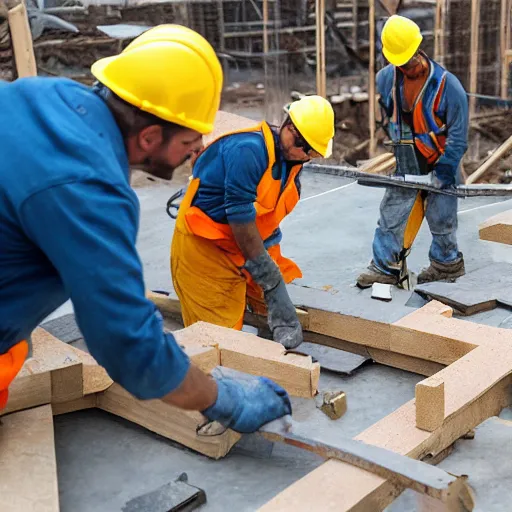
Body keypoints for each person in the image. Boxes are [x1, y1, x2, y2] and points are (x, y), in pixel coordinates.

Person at [0, 25, 291, 434]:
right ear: (151, 135)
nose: (196, 150)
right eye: (190, 139)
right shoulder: (92, 189)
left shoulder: (43, 96)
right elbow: (126, 343)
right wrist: (219, 397)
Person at [170, 96, 335, 349]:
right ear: (288, 126)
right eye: (302, 145)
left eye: (311, 151)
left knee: (267, 297)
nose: (304, 155)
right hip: (207, 247)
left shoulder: (293, 162)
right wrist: (270, 279)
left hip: (246, 244)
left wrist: (272, 280)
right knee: (218, 340)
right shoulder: (248, 150)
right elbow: (240, 217)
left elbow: (268, 216)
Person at [356, 15, 469, 289]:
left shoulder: (448, 86)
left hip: (441, 159)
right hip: (408, 158)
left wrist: (445, 168)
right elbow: (392, 117)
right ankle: (384, 267)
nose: (407, 66)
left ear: (419, 48)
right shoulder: (385, 80)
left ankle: (446, 263)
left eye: (409, 59)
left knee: (442, 215)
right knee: (392, 212)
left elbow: (458, 134)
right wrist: (403, 147)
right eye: (401, 62)